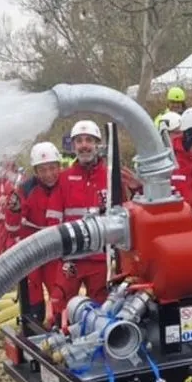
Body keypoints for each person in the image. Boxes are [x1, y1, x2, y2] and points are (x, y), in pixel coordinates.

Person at [45, 120, 109, 316]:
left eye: (89, 140)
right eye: (79, 141)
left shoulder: (110, 177)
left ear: (97, 144)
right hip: (71, 258)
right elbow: (53, 219)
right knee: (60, 305)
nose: (84, 145)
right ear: (73, 146)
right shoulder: (64, 179)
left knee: (102, 309)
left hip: (100, 259)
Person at [19, 142, 63, 323]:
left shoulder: (66, 184)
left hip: (57, 249)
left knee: (60, 289)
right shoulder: (26, 189)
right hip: (33, 249)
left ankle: (60, 326)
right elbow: (15, 222)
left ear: (59, 167)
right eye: (42, 170)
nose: (48, 174)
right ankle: (32, 327)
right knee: (32, 291)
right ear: (35, 171)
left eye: (52, 168)